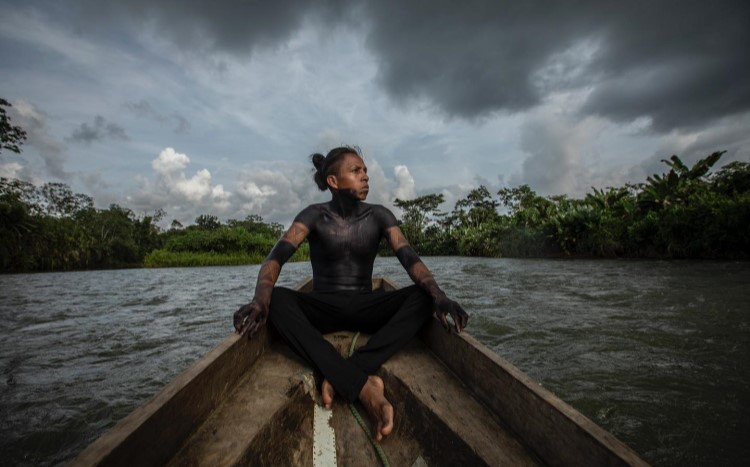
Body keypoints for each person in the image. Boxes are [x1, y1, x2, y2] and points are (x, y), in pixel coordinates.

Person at [233, 146, 468, 441]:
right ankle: (363, 386)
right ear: (333, 181)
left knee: (423, 297)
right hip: (323, 306)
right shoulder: (313, 215)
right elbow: (275, 257)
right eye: (356, 171)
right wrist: (260, 299)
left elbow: (410, 258)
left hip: (366, 305)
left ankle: (350, 372)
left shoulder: (380, 216)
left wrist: (439, 295)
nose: (365, 177)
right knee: (277, 299)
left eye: (365, 171)